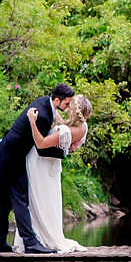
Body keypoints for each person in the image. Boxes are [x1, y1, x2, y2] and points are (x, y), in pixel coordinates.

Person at [0, 84, 74, 253]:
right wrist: (63, 152)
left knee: (4, 202)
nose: (68, 106)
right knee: (21, 200)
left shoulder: (45, 103)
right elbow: (41, 146)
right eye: (67, 103)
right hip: (11, 158)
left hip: (7, 153)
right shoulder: (42, 115)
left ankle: (0, 243)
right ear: (57, 100)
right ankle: (30, 244)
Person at [24, 94, 92, 253]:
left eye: (70, 105)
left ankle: (40, 237)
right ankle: (45, 234)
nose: (67, 107)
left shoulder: (64, 132)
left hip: (40, 165)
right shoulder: (82, 127)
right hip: (52, 167)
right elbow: (72, 146)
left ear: (73, 111)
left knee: (38, 199)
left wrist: (32, 122)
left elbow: (40, 144)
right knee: (49, 200)